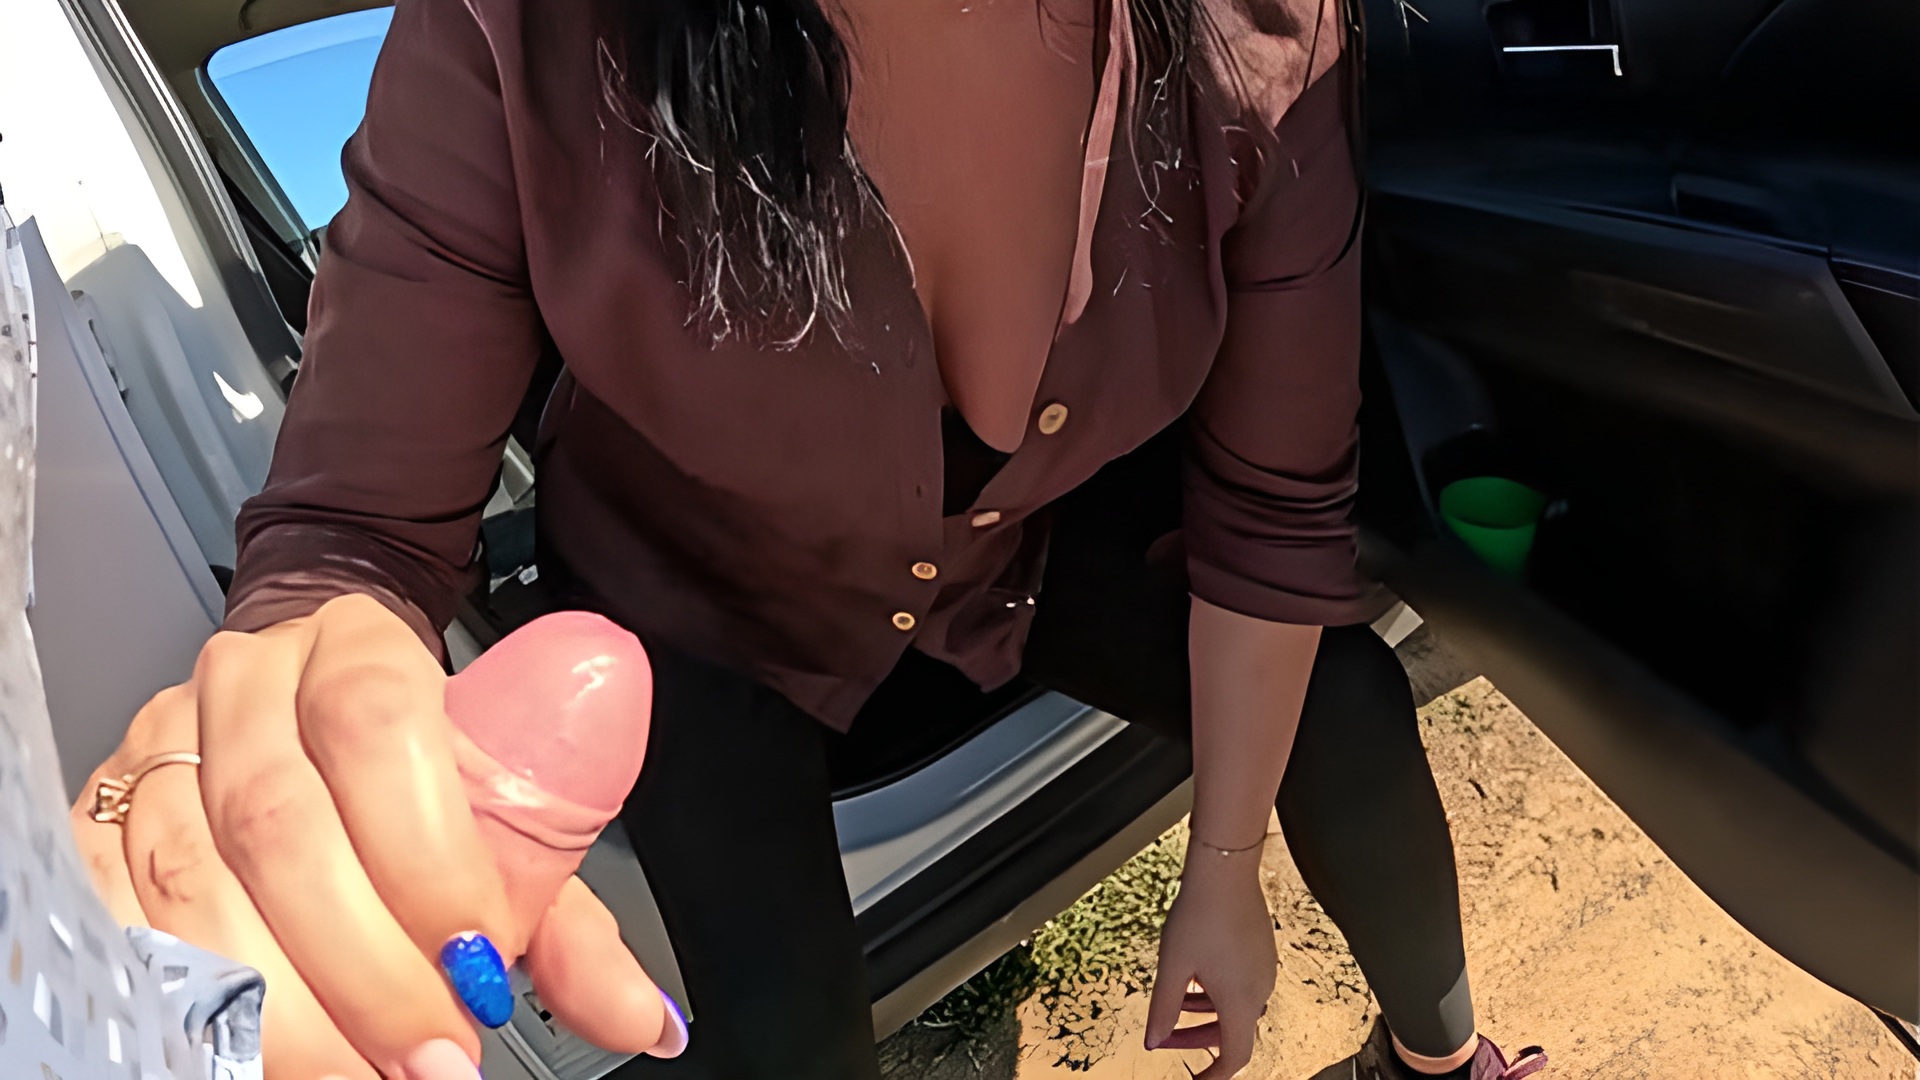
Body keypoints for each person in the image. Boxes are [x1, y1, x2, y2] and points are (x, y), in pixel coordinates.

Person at [72, 0, 1551, 1077]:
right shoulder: (517, 33)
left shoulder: (1266, 46)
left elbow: (1273, 513)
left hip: (1012, 555)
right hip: (695, 612)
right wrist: (286, 696)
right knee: (787, 1033)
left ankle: (1439, 1062)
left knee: (1344, 702)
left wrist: (1222, 871)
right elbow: (355, 533)